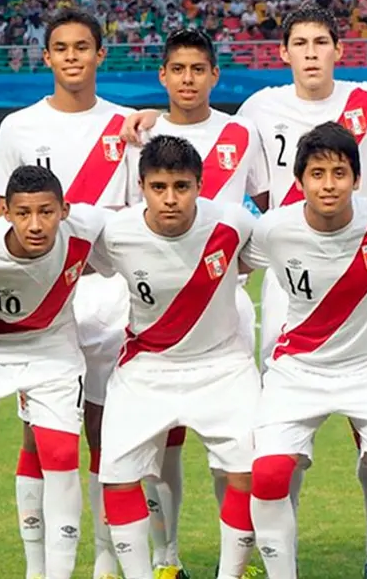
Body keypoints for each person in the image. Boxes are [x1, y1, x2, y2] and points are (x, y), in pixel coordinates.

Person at [123, 6, 367, 579]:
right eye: (299, 43)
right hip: (292, 287)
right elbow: (201, 133)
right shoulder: (259, 110)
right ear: (283, 53)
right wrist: (150, 117)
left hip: (366, 289)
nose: (311, 52)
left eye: (321, 42)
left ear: (340, 49)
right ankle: (275, 555)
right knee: (281, 442)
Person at [240, 122, 367, 579]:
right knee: (267, 477)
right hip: (298, 371)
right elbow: (234, 265)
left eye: (340, 173)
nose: (329, 185)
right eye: (318, 174)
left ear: (358, 178)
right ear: (299, 181)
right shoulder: (272, 230)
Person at [0, 8, 137, 579]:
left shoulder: (128, 125)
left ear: (102, 54)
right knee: (39, 434)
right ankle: (38, 567)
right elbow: (1, 216)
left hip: (108, 297)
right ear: (46, 57)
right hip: (43, 302)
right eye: (60, 47)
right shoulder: (18, 127)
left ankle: (102, 562)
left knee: (104, 432)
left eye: (83, 46)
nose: (72, 56)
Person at [87, 135, 259, 579]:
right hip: (146, 366)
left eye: (181, 186)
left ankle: (231, 574)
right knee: (117, 475)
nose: (170, 199)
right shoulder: (115, 232)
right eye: (158, 187)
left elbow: (258, 259)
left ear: (200, 185)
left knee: (247, 474)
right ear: (140, 186)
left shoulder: (233, 224)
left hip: (223, 365)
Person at [132, 27, 269, 578]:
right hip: (157, 315)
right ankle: (166, 558)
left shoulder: (242, 133)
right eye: (178, 69)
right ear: (163, 76)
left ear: (215, 75)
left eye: (199, 69)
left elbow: (267, 206)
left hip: (227, 308)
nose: (188, 79)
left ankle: (239, 559)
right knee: (163, 441)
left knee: (235, 441)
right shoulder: (138, 137)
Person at [0, 166, 109, 579]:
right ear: (6, 213)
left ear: (65, 210)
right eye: (24, 213)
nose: (35, 224)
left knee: (62, 456)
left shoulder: (86, 226)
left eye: (46, 212)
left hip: (52, 350)